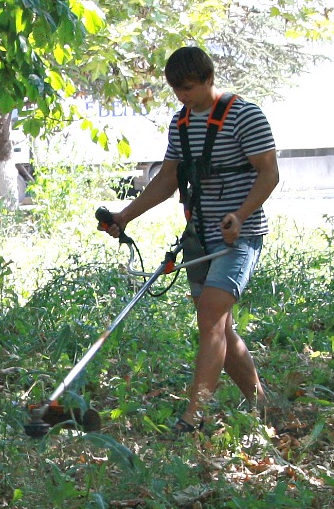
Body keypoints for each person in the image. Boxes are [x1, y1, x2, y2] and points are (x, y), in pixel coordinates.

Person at [97, 45, 279, 432]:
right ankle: (261, 404)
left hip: (239, 236)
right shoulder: (180, 124)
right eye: (177, 90)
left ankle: (193, 417)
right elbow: (167, 179)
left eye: (190, 88)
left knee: (211, 317)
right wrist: (123, 217)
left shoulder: (246, 116)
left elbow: (269, 174)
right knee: (221, 327)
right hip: (198, 237)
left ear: (210, 78)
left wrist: (240, 215)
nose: (184, 97)